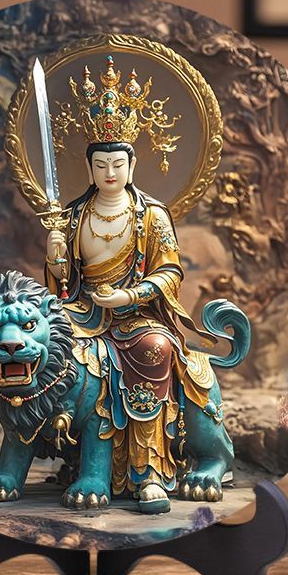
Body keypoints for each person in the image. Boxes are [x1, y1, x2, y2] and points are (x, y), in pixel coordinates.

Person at [44, 57, 223, 514]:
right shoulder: (73, 216)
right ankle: (73, 455)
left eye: (117, 164)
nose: (109, 172)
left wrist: (129, 295)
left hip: (138, 315)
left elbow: (170, 272)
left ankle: (149, 473)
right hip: (84, 311)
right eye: (100, 164)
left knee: (154, 349)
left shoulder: (152, 216)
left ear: (132, 164)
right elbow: (63, 283)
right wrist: (55, 255)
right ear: (89, 168)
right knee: (48, 345)